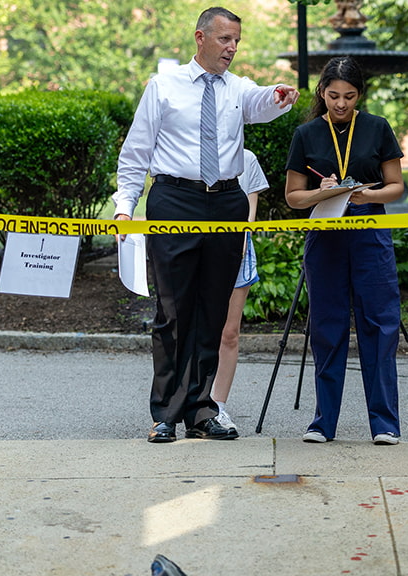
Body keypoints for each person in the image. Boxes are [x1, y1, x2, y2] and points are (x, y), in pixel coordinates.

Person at [113, 7, 299, 443]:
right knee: (173, 312)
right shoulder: (164, 87)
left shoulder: (238, 88)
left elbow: (260, 103)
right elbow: (135, 154)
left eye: (237, 40)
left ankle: (201, 411)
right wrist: (125, 207)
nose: (232, 48)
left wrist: (278, 95)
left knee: (213, 311)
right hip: (174, 200)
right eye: (224, 39)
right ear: (200, 38)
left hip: (226, 203)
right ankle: (165, 414)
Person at [284, 57, 405, 445]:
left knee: (380, 326)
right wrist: (322, 192)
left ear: (359, 96)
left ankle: (385, 424)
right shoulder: (306, 134)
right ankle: (323, 423)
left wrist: (367, 194)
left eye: (349, 97)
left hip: (370, 232)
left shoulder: (376, 128)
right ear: (322, 93)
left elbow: (396, 186)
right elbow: (293, 197)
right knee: (327, 328)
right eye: (333, 96)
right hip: (326, 237)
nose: (341, 104)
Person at [210, 149, 269, 436]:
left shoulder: (247, 159)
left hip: (237, 251)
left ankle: (217, 405)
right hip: (198, 248)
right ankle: (187, 402)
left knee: (229, 332)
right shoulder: (189, 153)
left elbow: (250, 210)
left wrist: (241, 237)